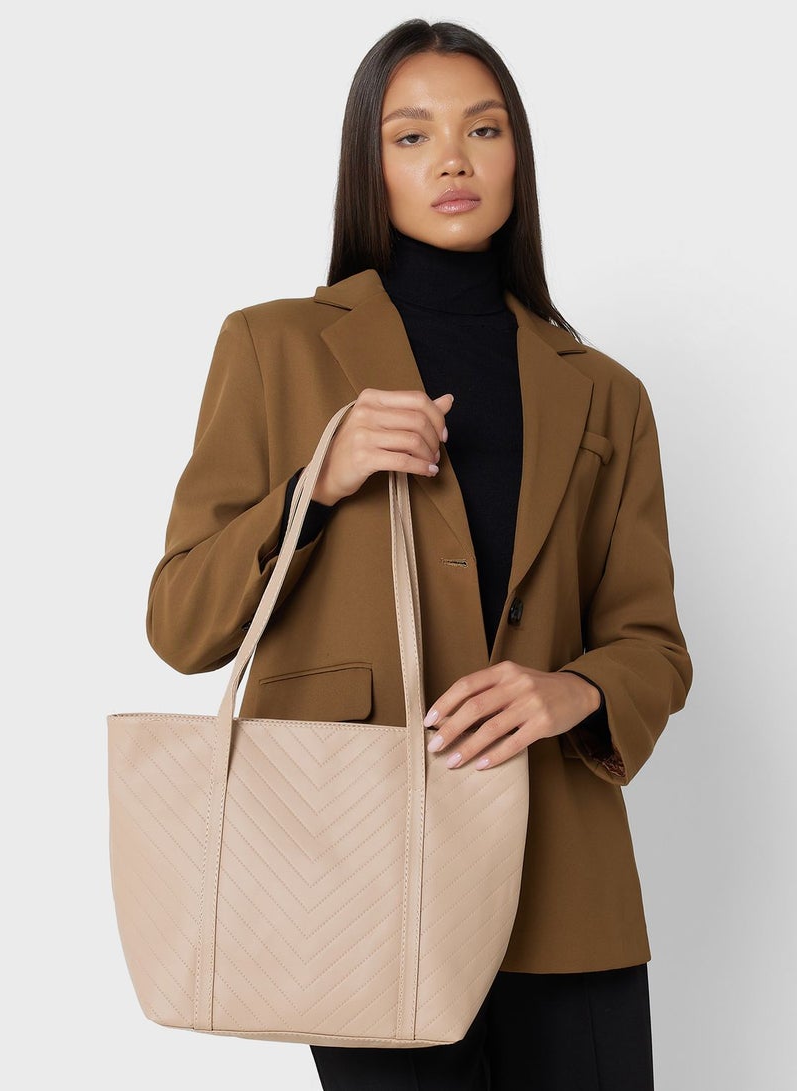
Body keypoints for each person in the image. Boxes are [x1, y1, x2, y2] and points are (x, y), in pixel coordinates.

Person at [146, 18, 692, 1091]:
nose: (452, 159)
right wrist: (316, 481)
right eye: (411, 135)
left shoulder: (605, 392)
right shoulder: (272, 345)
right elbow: (180, 623)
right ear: (370, 165)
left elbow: (653, 644)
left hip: (563, 882)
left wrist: (574, 690)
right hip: (354, 877)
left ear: (516, 155)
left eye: (482, 129)